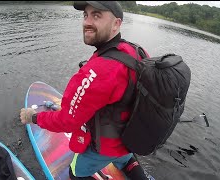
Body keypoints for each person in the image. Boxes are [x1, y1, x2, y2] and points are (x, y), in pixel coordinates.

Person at [20, 1, 151, 179]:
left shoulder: (96, 71)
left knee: (74, 173)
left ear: (116, 24)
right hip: (128, 137)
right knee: (126, 159)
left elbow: (66, 122)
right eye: (85, 15)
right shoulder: (136, 50)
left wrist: (33, 117)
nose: (86, 22)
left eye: (96, 15)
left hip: (106, 146)